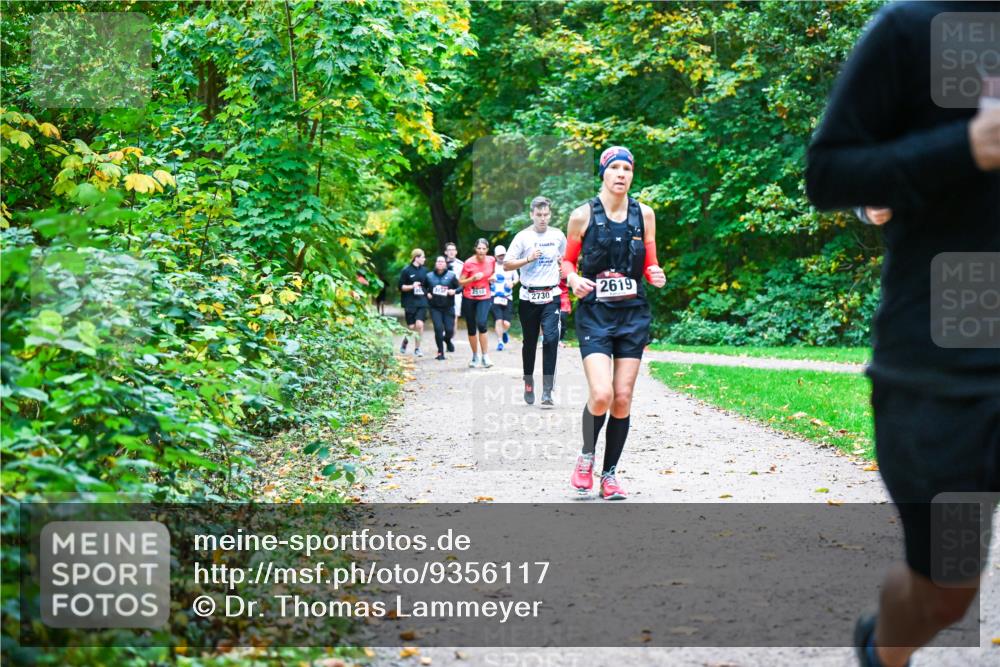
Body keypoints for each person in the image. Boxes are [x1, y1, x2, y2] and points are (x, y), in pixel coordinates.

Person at [804, 3, 1000, 666]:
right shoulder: (913, 27)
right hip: (947, 373)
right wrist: (963, 149)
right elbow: (829, 172)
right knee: (946, 590)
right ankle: (882, 648)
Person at [561, 147, 666, 500]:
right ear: (603, 173)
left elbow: (651, 263)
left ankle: (609, 475)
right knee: (602, 394)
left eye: (627, 168)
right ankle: (586, 456)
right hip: (595, 313)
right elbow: (567, 262)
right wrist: (573, 280)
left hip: (633, 312)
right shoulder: (581, 216)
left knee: (622, 398)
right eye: (614, 168)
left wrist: (655, 273)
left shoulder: (645, 215)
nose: (621, 174)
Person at [504, 196, 567, 406]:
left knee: (551, 340)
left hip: (551, 295)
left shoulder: (558, 235)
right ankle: (528, 382)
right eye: (538, 215)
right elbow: (506, 264)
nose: (542, 218)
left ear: (550, 214)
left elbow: (566, 259)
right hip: (528, 296)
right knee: (529, 343)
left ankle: (548, 391)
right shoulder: (522, 237)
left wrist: (562, 266)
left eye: (546, 214)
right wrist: (528, 259)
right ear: (531, 214)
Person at [458, 238, 496, 368]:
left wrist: (493, 277)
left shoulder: (491, 260)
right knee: (471, 327)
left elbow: (494, 273)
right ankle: (475, 356)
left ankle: (485, 356)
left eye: (484, 248)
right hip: (469, 297)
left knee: (482, 323)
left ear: (487, 249)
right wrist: (472, 278)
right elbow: (461, 282)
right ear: (475, 249)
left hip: (484, 296)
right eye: (479, 248)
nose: (481, 251)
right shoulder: (468, 263)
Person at [426, 255, 460, 361]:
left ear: (445, 264)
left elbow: (461, 287)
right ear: (435, 263)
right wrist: (427, 293)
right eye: (438, 261)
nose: (440, 263)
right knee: (438, 329)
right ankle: (440, 352)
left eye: (442, 261)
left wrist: (454, 291)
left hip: (448, 307)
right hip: (435, 307)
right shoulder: (429, 276)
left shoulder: (451, 276)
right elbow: (423, 287)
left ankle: (448, 340)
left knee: (449, 330)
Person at [397, 248, 429, 357]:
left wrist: (428, 293)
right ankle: (405, 342)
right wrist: (412, 286)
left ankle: (417, 348)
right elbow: (400, 287)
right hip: (409, 302)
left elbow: (427, 285)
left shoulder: (425, 271)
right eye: (423, 257)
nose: (425, 259)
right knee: (411, 327)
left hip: (422, 302)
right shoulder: (406, 271)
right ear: (416, 258)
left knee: (419, 325)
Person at [491, 244, 519, 351]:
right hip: (495, 296)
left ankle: (504, 332)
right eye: (499, 255)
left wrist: (512, 283)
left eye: (503, 255)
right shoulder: (492, 266)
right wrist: (491, 278)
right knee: (498, 320)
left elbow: (517, 278)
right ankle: (500, 341)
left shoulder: (510, 265)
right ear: (495, 256)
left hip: (508, 297)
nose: (501, 257)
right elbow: (486, 276)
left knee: (506, 323)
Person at [445, 241, 464, 346]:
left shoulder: (461, 265)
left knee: (454, 316)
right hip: (442, 294)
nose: (451, 252)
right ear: (445, 252)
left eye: (453, 250)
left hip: (456, 293)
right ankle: (445, 334)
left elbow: (464, 281)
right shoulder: (441, 263)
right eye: (449, 250)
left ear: (456, 252)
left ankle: (450, 339)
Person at [558, 275, 572, 348]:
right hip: (551, 297)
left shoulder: (567, 270)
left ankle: (560, 340)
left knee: (563, 321)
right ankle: (545, 339)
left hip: (564, 298)